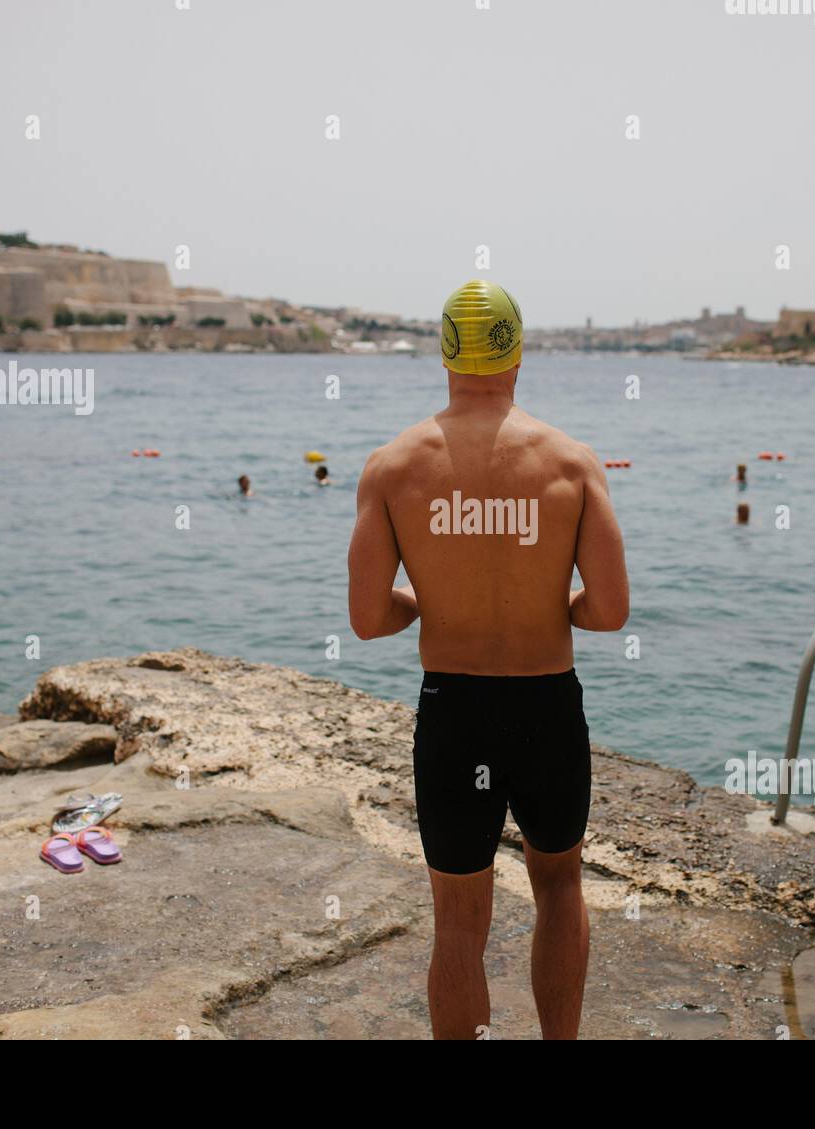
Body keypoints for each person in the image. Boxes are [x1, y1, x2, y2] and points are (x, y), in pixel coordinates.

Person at [347, 279, 629, 1040]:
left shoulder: (393, 466)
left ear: (445, 354)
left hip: (455, 713)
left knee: (459, 920)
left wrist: (432, 603)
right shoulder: (572, 463)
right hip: (546, 708)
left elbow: (368, 619)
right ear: (517, 353)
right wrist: (550, 607)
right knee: (560, 885)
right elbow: (609, 610)